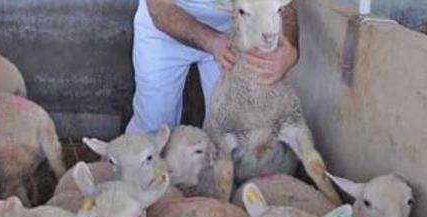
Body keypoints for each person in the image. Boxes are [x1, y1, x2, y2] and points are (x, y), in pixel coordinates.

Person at [126, 0, 299, 134]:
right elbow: (160, 9)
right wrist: (211, 42)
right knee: (153, 122)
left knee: (229, 125)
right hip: (165, 30)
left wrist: (290, 47)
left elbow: (283, 5)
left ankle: (217, 177)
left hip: (231, 29)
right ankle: (138, 177)